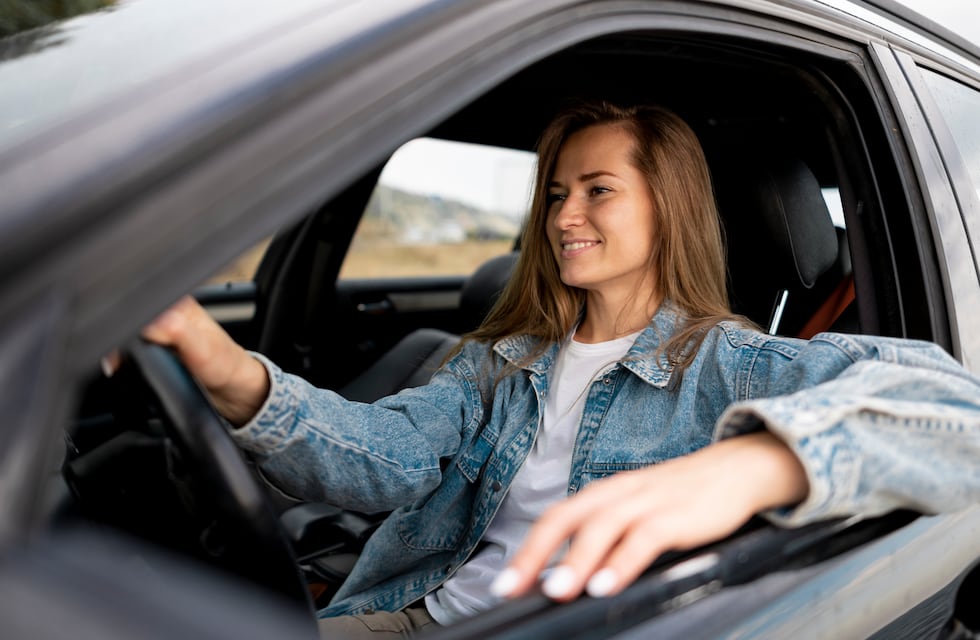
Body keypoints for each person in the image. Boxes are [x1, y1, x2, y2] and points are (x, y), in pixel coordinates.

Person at [142, 100, 980, 637]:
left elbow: (957, 407)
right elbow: (382, 457)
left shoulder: (737, 366)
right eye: (554, 194)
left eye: (598, 190)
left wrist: (757, 461)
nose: (563, 216)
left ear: (668, 206)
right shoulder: (502, 359)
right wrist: (224, 367)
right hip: (418, 614)